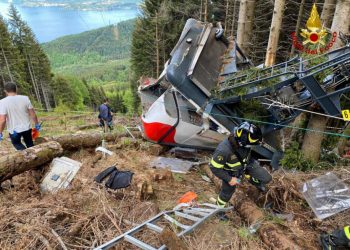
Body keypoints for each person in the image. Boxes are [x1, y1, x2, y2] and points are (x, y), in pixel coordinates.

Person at [209, 122, 272, 216]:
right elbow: (214, 168)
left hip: (247, 163)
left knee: (267, 178)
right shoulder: (223, 150)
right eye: (250, 145)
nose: (251, 147)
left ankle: (252, 179)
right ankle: (219, 211)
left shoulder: (243, 139)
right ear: (242, 141)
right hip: (231, 173)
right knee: (226, 194)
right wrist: (229, 179)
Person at [0, 82, 41, 150]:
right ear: (16, 89)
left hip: (14, 131)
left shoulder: (2, 102)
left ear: (5, 91)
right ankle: (33, 155)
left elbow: (2, 120)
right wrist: (37, 124)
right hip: (27, 128)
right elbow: (33, 114)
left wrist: (0, 131)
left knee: (17, 144)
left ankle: (27, 155)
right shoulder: (25, 98)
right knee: (30, 144)